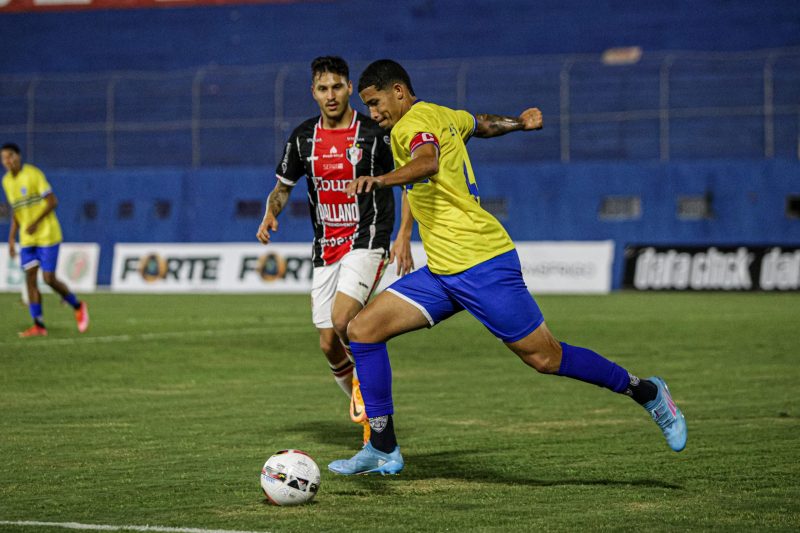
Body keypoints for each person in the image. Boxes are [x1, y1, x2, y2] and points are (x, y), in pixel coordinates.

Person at [328, 59, 687, 475]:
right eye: (368, 107)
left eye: (376, 103)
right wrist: (519, 123)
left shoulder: (411, 127)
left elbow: (427, 162)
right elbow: (479, 123)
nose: (374, 114)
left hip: (483, 265)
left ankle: (646, 392)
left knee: (545, 358)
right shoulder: (442, 114)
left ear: (399, 91)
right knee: (362, 330)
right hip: (444, 271)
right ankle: (383, 447)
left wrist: (381, 180)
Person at [256, 57, 413, 445]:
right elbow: (283, 187)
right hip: (325, 247)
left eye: (338, 87)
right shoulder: (303, 139)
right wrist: (269, 214)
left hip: (368, 238)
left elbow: (411, 181)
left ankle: (375, 412)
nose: (331, 95)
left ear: (348, 88)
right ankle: (365, 414)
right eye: (323, 89)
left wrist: (404, 235)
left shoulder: (374, 133)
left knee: (345, 318)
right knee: (328, 343)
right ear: (314, 92)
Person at [2, 142, 90, 337]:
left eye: (10, 156)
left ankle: (77, 305)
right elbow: (17, 211)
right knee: (30, 279)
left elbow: (52, 201)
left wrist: (35, 221)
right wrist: (10, 239)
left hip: (47, 234)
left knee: (48, 278)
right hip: (27, 238)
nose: (7, 161)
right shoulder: (7, 181)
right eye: (4, 158)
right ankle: (39, 325)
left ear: (18, 156)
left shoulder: (33, 174)